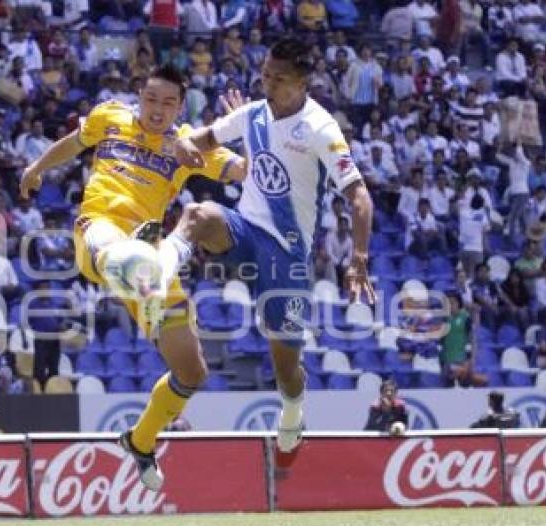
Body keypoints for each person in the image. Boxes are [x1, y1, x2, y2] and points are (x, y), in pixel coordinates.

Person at [19, 64, 245, 491]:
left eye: (168, 103)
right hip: (99, 233)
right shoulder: (110, 117)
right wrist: (36, 167)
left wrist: (249, 132)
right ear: (139, 95)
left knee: (192, 370)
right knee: (115, 246)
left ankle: (140, 441)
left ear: (180, 106)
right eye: (151, 99)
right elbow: (74, 143)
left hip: (151, 258)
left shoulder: (189, 143)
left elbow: (245, 172)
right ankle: (133, 260)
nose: (158, 110)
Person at [171, 38, 374, 466]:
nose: (267, 82)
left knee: (285, 367)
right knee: (198, 214)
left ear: (301, 83)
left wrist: (358, 260)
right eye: (264, 73)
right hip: (245, 231)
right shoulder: (253, 114)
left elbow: (359, 197)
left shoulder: (321, 128)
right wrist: (187, 144)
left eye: (277, 78)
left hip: (287, 258)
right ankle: (160, 265)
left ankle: (293, 415)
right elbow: (203, 139)